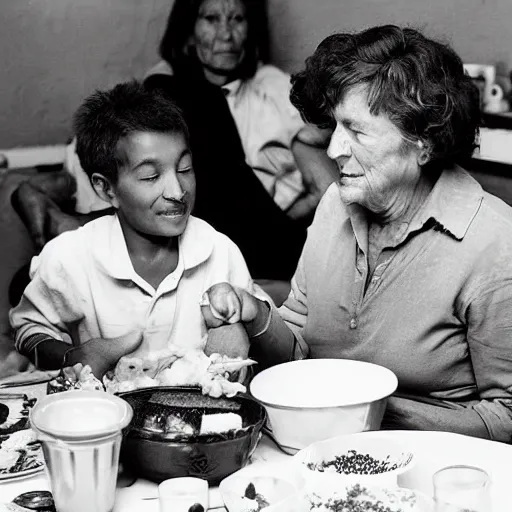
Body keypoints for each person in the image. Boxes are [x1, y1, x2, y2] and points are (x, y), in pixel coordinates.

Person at [199, 25, 512, 442]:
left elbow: (506, 415)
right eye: (335, 128)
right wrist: (256, 313)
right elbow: (300, 348)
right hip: (318, 447)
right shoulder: (336, 204)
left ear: (423, 143)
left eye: (357, 131)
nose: (333, 150)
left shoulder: (493, 244)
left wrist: (373, 409)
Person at [10, 0, 337, 302]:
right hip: (191, 216)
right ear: (189, 30)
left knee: (173, 95)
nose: (225, 33)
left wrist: (281, 212)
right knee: (26, 284)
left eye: (237, 19)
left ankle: (83, 225)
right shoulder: (172, 86)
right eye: (211, 18)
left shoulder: (272, 86)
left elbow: (324, 188)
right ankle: (85, 226)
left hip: (261, 233)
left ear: (252, 29)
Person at [9, 81, 265, 379]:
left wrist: (237, 328)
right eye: (151, 176)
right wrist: (75, 356)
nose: (177, 191)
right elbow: (28, 331)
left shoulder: (218, 251)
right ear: (106, 189)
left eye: (184, 169)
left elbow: (264, 336)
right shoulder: (70, 256)